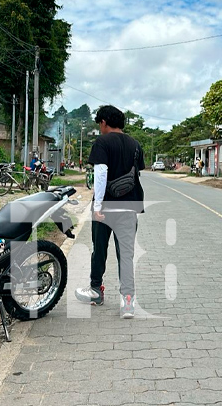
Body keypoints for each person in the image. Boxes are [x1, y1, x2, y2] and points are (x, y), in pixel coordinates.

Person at [75, 105, 145, 319]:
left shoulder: (101, 142)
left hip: (106, 207)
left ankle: (96, 291)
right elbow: (136, 173)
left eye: (100, 124)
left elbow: (101, 173)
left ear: (104, 122)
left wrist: (97, 206)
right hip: (130, 205)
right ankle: (127, 301)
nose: (100, 128)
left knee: (99, 250)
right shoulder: (135, 145)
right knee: (126, 254)